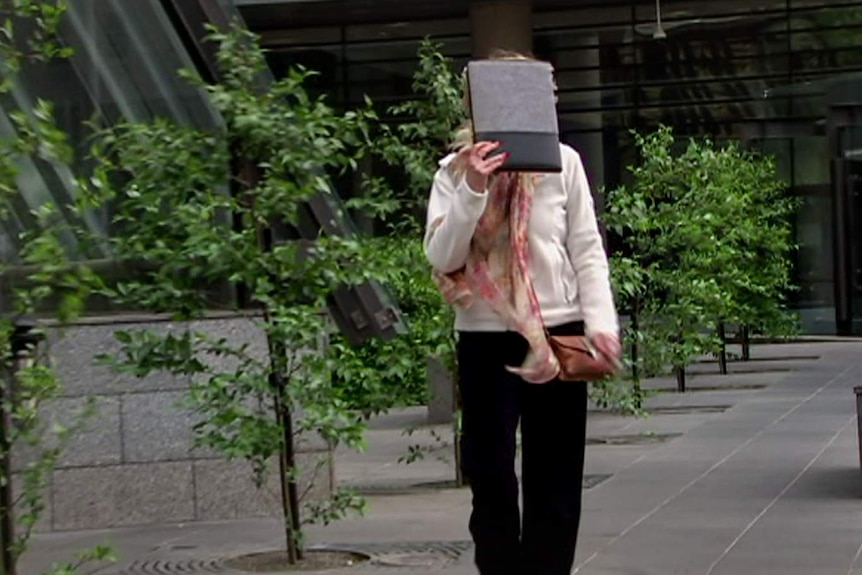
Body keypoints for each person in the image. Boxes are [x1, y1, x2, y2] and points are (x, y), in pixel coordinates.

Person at [423, 51, 622, 575]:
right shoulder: (453, 173)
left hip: (558, 335)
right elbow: (443, 257)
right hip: (485, 337)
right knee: (489, 475)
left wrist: (601, 324)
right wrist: (473, 188)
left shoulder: (565, 164)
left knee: (554, 477)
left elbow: (586, 249)